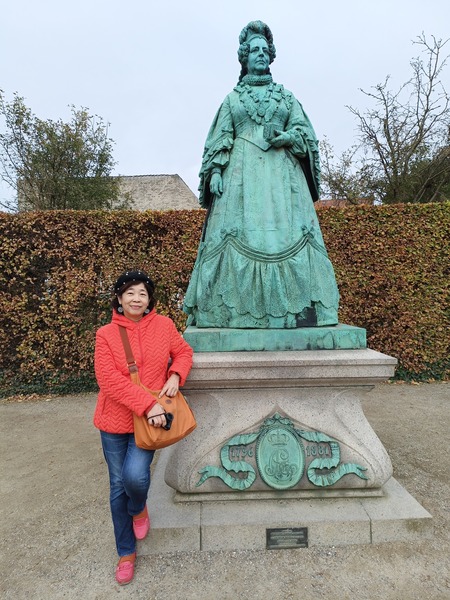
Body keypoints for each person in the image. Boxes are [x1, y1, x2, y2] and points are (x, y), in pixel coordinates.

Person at [184, 21, 340, 329]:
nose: (260, 54)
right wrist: (215, 171)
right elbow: (220, 138)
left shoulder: (286, 97)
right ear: (244, 57)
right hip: (239, 181)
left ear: (271, 56)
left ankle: (303, 312)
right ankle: (228, 313)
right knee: (231, 238)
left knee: (293, 237)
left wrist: (286, 137)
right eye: (254, 50)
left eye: (265, 50)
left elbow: (306, 135)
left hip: (284, 182)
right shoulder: (232, 99)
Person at [93, 270, 193, 585]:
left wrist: (176, 374)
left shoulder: (164, 326)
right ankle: (126, 553)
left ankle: (138, 508)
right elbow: (108, 379)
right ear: (119, 299)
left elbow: (184, 352)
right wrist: (149, 405)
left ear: (150, 299)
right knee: (117, 485)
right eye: (130, 293)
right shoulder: (105, 334)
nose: (136, 299)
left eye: (142, 293)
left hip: (148, 425)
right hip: (116, 421)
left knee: (135, 477)